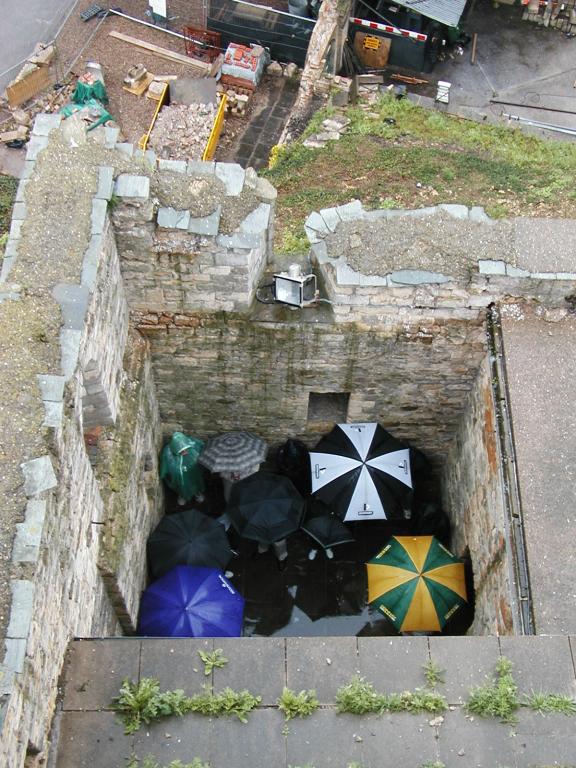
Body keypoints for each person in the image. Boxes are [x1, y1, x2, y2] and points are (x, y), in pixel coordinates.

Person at [159, 432, 205, 505]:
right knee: (182, 486)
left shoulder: (193, 443)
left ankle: (197, 493)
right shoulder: (167, 453)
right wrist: (162, 474)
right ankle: (183, 495)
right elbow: (164, 467)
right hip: (181, 478)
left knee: (196, 483)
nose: (185, 452)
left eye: (185, 449)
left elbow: (202, 446)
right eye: (181, 450)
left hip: (194, 473)